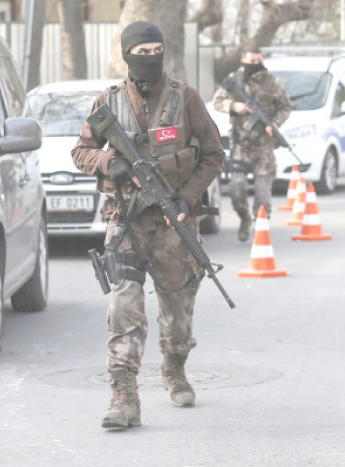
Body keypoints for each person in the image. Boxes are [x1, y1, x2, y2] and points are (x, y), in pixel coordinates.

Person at [71, 21, 224, 429]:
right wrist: (110, 162)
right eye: (141, 52)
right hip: (126, 223)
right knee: (124, 305)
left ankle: (174, 367)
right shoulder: (110, 101)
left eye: (156, 49)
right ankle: (124, 395)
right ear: (127, 55)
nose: (150, 57)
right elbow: (81, 151)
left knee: (178, 315)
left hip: (175, 225)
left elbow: (213, 155)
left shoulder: (185, 98)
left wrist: (185, 198)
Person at [213, 47, 291, 241]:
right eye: (251, 60)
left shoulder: (272, 82)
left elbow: (285, 107)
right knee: (236, 188)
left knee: (263, 192)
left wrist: (275, 124)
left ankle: (261, 227)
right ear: (243, 59)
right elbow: (217, 101)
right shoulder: (234, 80)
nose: (255, 64)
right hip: (240, 143)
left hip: (264, 145)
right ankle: (245, 218)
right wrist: (233, 106)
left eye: (258, 61)